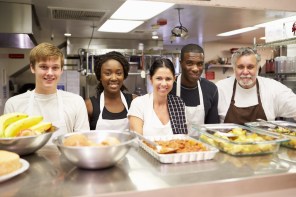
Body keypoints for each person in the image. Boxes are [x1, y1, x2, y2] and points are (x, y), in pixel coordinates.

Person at [4, 42, 89, 141]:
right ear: (32, 68)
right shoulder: (13, 104)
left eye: (55, 67)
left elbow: (82, 141)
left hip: (65, 156)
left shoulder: (76, 102)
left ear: (61, 70)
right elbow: (9, 143)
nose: (49, 73)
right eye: (43, 67)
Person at [216, 47, 296, 124]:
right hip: (227, 137)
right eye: (240, 67)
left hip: (265, 138)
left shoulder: (272, 88)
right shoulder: (220, 89)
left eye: (250, 67)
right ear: (234, 69)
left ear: (258, 68)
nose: (245, 72)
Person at [128, 58, 187, 135]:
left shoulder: (178, 103)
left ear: (174, 79)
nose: (163, 84)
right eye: (159, 78)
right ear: (151, 79)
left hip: (175, 147)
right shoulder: (139, 103)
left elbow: (183, 139)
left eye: (168, 79)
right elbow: (137, 139)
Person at [170, 44, 219, 134]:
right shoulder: (169, 88)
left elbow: (212, 129)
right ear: (181, 63)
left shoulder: (211, 89)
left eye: (199, 64)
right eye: (189, 63)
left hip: (203, 146)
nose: (195, 69)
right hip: (174, 144)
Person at [85, 51, 136, 131]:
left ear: (124, 76)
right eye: (108, 73)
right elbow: (84, 138)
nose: (114, 78)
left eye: (119, 73)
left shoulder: (134, 102)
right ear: (100, 76)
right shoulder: (89, 106)